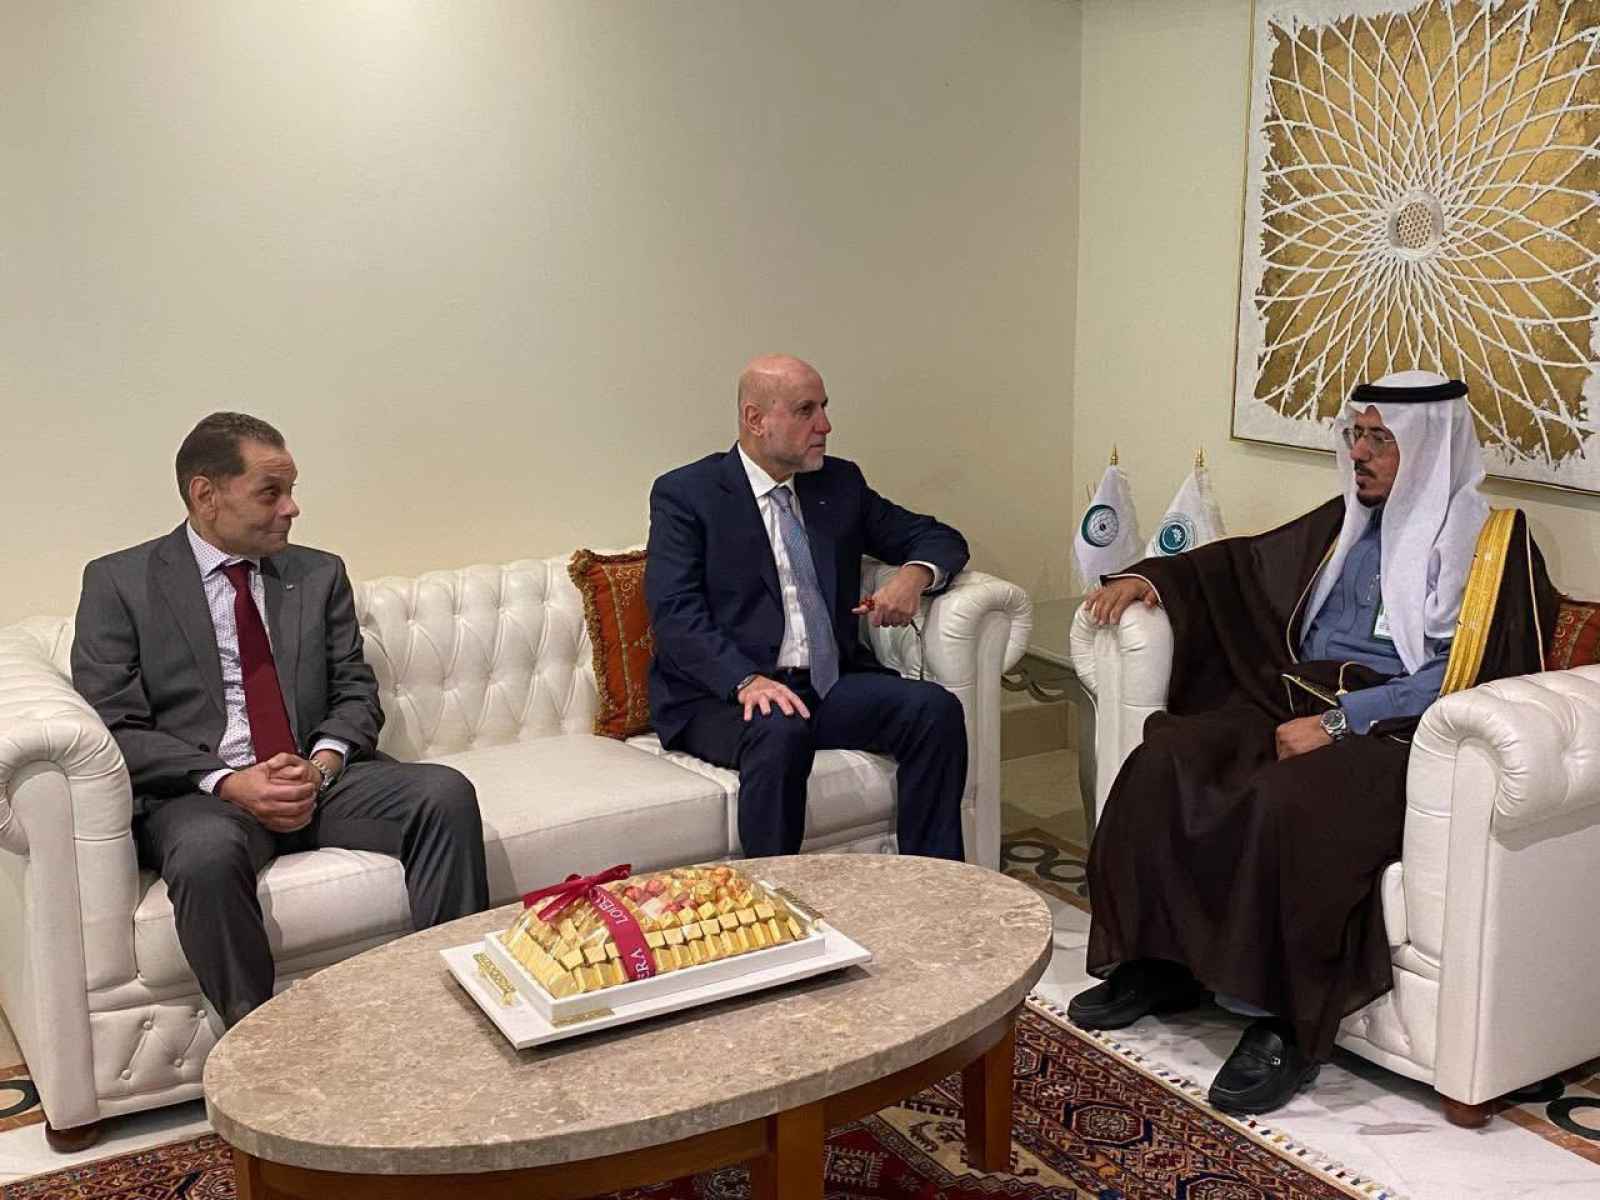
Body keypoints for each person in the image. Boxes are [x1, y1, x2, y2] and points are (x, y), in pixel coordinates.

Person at [1068, 372, 1556, 1115]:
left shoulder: (1493, 547)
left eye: (1380, 440)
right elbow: (1240, 566)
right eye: (1356, 435)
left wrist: (1342, 722)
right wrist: (1151, 579)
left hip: (1398, 734)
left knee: (1286, 803)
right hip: (1291, 698)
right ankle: (1161, 963)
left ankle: (1283, 1022)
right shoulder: (1344, 521)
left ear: (1429, 447)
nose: (1359, 453)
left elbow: (1471, 671)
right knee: (1164, 760)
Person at [72, 412, 489, 1028]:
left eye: (291, 490)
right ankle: (260, 1045)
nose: (291, 508)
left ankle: (458, 1013)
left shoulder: (318, 573)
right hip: (206, 796)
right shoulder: (120, 583)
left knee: (443, 793)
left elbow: (355, 690)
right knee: (204, 856)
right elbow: (116, 724)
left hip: (318, 780)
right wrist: (230, 782)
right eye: (271, 492)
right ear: (206, 495)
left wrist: (320, 766)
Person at [646, 354, 970, 860]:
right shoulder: (688, 495)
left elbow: (939, 537)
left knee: (934, 711)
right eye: (805, 410)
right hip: (723, 698)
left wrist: (914, 576)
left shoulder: (837, 484)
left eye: (824, 407)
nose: (825, 425)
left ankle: (931, 882)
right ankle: (773, 893)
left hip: (825, 684)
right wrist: (745, 681)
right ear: (755, 419)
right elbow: (674, 613)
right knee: (780, 731)